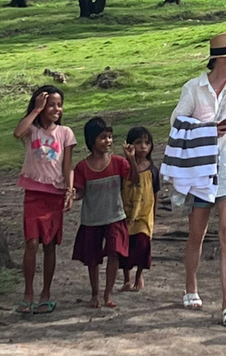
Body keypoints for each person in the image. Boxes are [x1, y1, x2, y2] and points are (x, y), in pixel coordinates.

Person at [171, 31, 226, 327]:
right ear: (220, 58)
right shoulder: (193, 88)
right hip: (201, 170)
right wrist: (207, 129)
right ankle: (190, 285)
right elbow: (177, 122)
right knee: (197, 233)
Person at [13, 85, 77, 315]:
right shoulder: (32, 130)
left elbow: (67, 165)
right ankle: (28, 291)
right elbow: (18, 132)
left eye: (59, 105)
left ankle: (46, 293)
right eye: (51, 104)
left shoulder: (65, 133)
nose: (56, 109)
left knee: (50, 245)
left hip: (55, 194)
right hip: (33, 193)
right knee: (31, 243)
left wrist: (69, 190)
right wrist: (35, 111)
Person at [72, 117, 136, 309]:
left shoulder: (118, 163)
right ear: (91, 140)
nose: (108, 141)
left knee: (114, 253)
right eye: (103, 137)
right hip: (91, 220)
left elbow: (134, 179)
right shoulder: (82, 167)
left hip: (115, 217)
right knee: (92, 259)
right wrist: (72, 195)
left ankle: (108, 293)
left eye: (110, 137)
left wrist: (131, 158)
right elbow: (81, 192)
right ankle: (94, 293)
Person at [119, 126, 160, 292]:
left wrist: (154, 214)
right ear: (130, 145)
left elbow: (155, 193)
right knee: (125, 247)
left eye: (147, 143)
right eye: (138, 142)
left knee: (142, 245)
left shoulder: (153, 170)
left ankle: (139, 276)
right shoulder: (124, 167)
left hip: (144, 214)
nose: (143, 146)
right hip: (126, 213)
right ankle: (127, 278)